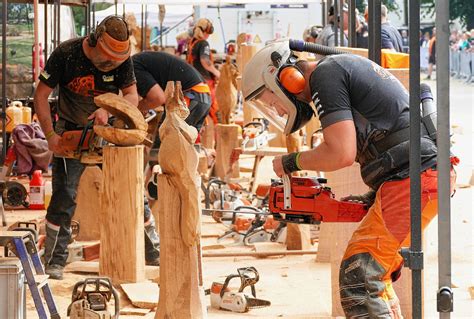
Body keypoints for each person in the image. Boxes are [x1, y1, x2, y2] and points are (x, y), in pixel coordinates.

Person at [242, 40, 455, 318]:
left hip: (415, 177)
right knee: (374, 275)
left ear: (285, 78)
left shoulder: (326, 74)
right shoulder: (335, 70)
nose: (278, 110)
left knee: (361, 278)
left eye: (269, 100)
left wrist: (291, 162)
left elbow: (341, 152)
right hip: (411, 175)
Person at [34, 16, 161, 280]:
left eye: (116, 59)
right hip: (71, 132)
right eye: (106, 57)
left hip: (109, 133)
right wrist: (49, 136)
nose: (111, 63)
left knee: (131, 189)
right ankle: (55, 260)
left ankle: (152, 250)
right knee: (64, 196)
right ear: (94, 40)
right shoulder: (66, 54)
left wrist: (107, 108)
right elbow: (41, 95)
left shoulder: (122, 59)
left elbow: (132, 96)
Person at [132, 50, 211, 152]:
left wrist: (135, 109)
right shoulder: (141, 62)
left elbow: (158, 98)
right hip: (202, 96)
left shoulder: (133, 66)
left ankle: (156, 165)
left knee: (163, 149)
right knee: (187, 150)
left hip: (190, 97)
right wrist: (144, 106)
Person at [187, 18, 220, 124]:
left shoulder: (192, 43)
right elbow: (205, 61)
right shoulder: (203, 43)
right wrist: (217, 73)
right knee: (213, 109)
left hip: (193, 81)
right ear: (207, 30)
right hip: (205, 82)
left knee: (196, 110)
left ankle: (196, 139)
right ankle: (217, 137)